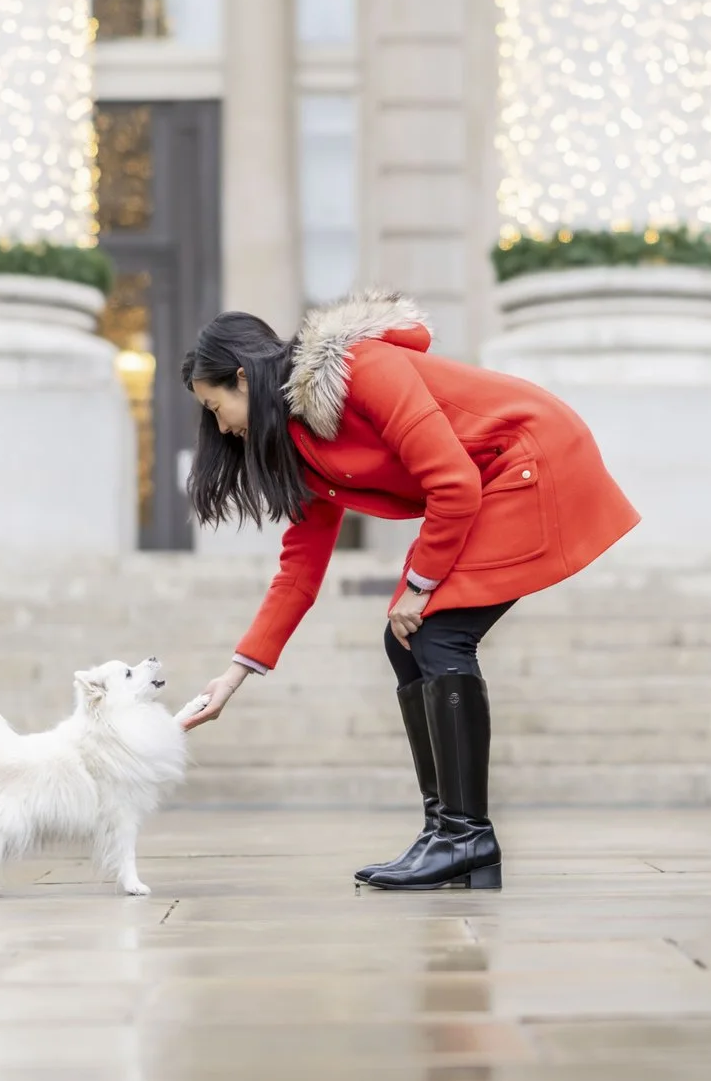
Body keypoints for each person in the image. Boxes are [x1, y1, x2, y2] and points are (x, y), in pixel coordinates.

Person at [179, 291, 639, 890]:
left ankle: (466, 836)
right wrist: (234, 675)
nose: (221, 427)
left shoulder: (361, 369)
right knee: (406, 642)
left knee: (437, 633)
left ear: (242, 378)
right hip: (488, 480)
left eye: (215, 407)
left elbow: (453, 482)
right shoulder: (302, 441)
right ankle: (447, 833)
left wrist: (420, 586)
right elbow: (299, 569)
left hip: (530, 458)